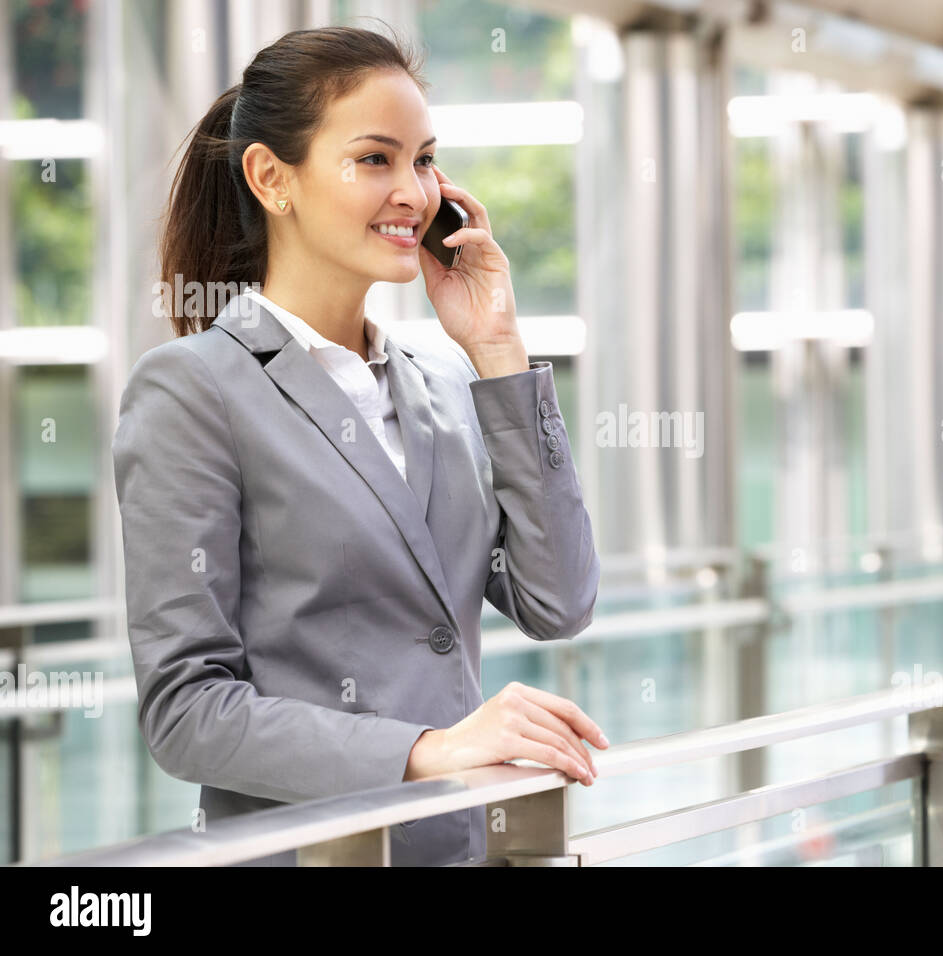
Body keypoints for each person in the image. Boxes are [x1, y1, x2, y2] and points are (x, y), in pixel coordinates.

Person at [112, 23, 605, 866]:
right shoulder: (192, 390)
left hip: (460, 849)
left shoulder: (445, 382)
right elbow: (186, 712)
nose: (413, 191)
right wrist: (422, 751)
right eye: (375, 159)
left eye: (423, 160)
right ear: (272, 178)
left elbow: (559, 602)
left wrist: (497, 351)